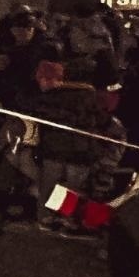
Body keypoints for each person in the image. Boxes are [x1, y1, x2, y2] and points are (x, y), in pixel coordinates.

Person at [20, 58, 111, 234]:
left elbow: (97, 119)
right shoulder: (90, 96)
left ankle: (53, 216)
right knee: (62, 186)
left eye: (48, 79)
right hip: (67, 150)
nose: (44, 82)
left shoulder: (67, 97)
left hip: (68, 150)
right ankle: (56, 216)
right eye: (41, 78)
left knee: (59, 185)